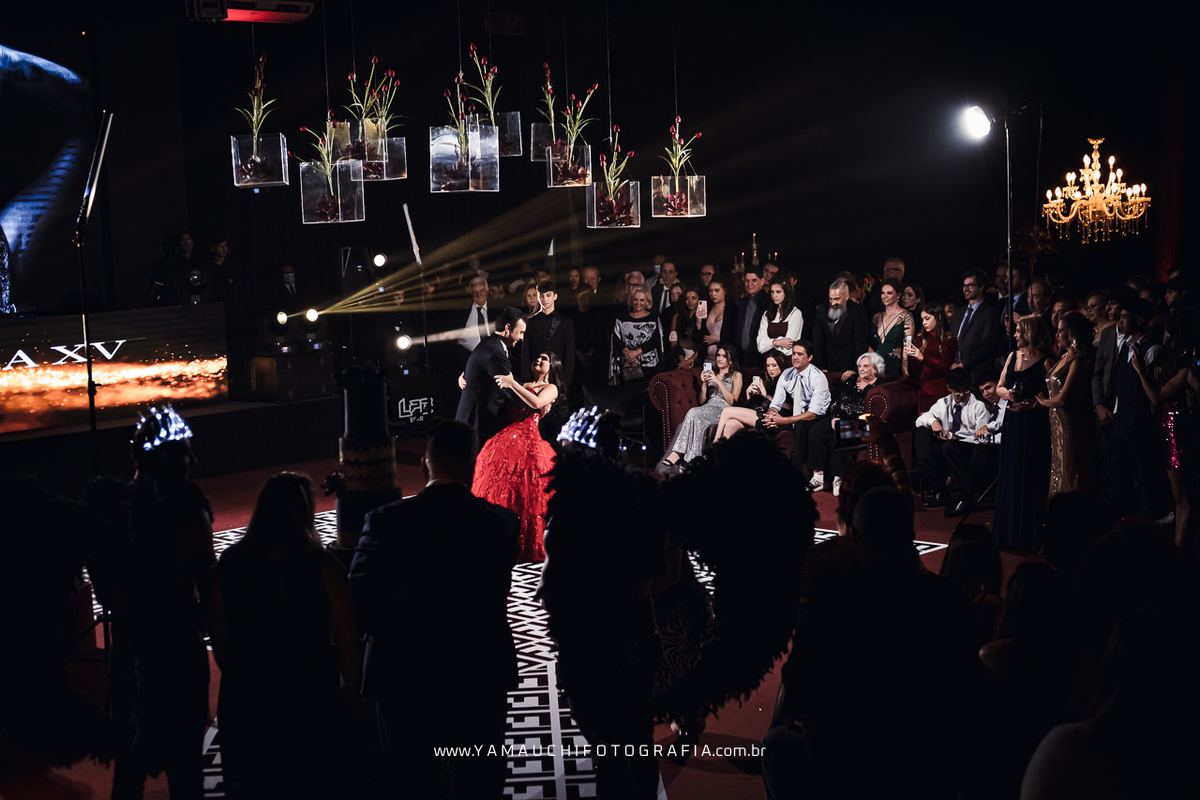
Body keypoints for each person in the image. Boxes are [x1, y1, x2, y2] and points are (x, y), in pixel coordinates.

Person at [349, 421, 519, 799]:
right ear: (472, 463)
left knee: (408, 779)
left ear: (425, 464)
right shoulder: (501, 523)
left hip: (403, 672)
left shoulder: (384, 522)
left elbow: (359, 597)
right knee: (479, 778)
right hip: (477, 668)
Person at [209, 473, 360, 800]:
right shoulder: (324, 569)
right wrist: (353, 705)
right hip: (310, 706)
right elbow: (349, 650)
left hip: (247, 707)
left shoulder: (229, 565)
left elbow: (221, 647)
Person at [112, 407, 214, 800]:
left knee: (129, 770)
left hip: (132, 655)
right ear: (173, 458)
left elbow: (115, 597)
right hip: (177, 656)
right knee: (187, 772)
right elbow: (210, 590)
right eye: (186, 452)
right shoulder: (191, 513)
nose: (194, 460)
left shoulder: (121, 512)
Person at [472, 352, 563, 562]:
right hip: (505, 439)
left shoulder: (551, 388)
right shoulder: (523, 382)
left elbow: (536, 403)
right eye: (537, 357)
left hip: (530, 441)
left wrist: (513, 384)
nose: (538, 360)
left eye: (544, 359)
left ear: (553, 365)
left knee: (528, 493)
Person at [1130, 310, 1196, 548]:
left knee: (1183, 498)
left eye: (1168, 331)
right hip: (1169, 432)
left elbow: (1157, 398)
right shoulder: (1175, 368)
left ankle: (1180, 549)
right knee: (1178, 497)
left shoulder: (1184, 370)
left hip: (1176, 432)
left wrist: (1140, 371)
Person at [993, 315, 1053, 551]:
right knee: (1011, 473)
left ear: (1030, 333)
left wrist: (1031, 404)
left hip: (1034, 426)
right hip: (1013, 423)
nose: (1015, 335)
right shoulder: (1012, 356)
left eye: (1019, 331)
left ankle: (1028, 535)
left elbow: (1053, 400)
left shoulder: (1047, 362)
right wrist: (1008, 394)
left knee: (1029, 476)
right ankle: (1007, 533)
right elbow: (999, 387)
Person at [914, 367, 997, 515]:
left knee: (949, 446)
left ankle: (963, 497)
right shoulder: (943, 403)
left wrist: (957, 438)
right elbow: (920, 420)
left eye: (964, 390)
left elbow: (981, 436)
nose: (961, 394)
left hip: (971, 445)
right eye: (957, 391)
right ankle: (932, 480)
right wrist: (933, 421)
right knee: (924, 432)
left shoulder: (978, 405)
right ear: (949, 388)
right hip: (950, 443)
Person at [1036, 311, 1098, 498]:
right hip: (1056, 421)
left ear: (1072, 333)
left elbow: (1064, 398)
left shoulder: (1078, 359)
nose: (1057, 335)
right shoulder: (1064, 356)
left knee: (1070, 466)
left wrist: (1042, 402)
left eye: (1061, 331)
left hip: (1069, 421)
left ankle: (1070, 512)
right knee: (1058, 466)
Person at [806, 351, 885, 495]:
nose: (861, 369)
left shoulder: (879, 387)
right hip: (839, 420)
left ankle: (839, 478)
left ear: (876, 369)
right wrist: (835, 416)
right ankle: (819, 476)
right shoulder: (850, 380)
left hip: (863, 426)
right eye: (859, 366)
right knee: (815, 431)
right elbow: (835, 400)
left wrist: (866, 389)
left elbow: (868, 411)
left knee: (841, 433)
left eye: (866, 366)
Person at [659, 344, 742, 469]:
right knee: (695, 414)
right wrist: (704, 385)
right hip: (708, 406)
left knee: (693, 412)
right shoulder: (712, 373)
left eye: (724, 356)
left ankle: (678, 453)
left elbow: (732, 400)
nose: (719, 358)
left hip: (724, 410)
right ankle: (694, 460)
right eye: (718, 355)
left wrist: (718, 381)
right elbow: (702, 401)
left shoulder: (736, 375)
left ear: (730, 360)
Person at [456, 306, 526, 443]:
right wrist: (540, 398)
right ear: (507, 328)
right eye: (521, 332)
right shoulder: (495, 353)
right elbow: (511, 390)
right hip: (478, 421)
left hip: (475, 416)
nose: (521, 338)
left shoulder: (492, 343)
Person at [764, 341, 831, 475]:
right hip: (796, 414)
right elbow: (776, 403)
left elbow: (813, 413)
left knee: (801, 425)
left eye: (800, 354)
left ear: (810, 357)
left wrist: (784, 420)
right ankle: (766, 468)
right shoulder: (787, 374)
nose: (795, 357)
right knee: (763, 423)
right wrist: (772, 415)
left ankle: (797, 473)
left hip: (818, 417)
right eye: (793, 353)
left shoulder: (818, 377)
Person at [713, 350, 788, 440]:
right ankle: (726, 454)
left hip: (773, 418)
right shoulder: (768, 383)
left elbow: (788, 407)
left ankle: (715, 446)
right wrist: (749, 395)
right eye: (768, 366)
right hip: (760, 413)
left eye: (774, 365)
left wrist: (766, 396)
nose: (770, 369)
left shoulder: (786, 382)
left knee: (726, 411)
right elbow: (755, 406)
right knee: (731, 424)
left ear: (781, 366)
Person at [904, 302, 957, 413]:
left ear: (938, 317)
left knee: (942, 425)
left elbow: (944, 369)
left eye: (927, 319)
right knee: (923, 425)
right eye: (922, 319)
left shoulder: (948, 340)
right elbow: (916, 370)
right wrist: (911, 356)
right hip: (924, 387)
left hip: (941, 389)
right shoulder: (921, 339)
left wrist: (923, 358)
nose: (924, 323)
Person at [952, 268, 1003, 383]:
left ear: (981, 287)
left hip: (977, 374)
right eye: (964, 286)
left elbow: (987, 346)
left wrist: (964, 364)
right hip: (955, 373)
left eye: (970, 286)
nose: (966, 289)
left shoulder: (990, 313)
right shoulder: (958, 313)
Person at [813, 278, 871, 376]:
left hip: (849, 367)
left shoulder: (858, 312)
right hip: (827, 367)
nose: (833, 303)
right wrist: (818, 367)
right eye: (830, 299)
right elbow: (818, 340)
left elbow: (861, 343)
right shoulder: (822, 310)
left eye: (837, 299)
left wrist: (855, 369)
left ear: (847, 296)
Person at [609, 285, 663, 384]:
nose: (638, 303)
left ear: (647, 301)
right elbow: (616, 339)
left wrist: (637, 352)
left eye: (642, 300)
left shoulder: (653, 318)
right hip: (627, 364)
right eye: (635, 299)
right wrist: (627, 353)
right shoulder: (621, 318)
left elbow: (656, 340)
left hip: (649, 366)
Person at [869, 278, 916, 375]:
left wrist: (905, 369)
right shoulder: (876, 317)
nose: (885, 296)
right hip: (877, 366)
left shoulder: (906, 316)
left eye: (889, 293)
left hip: (895, 366)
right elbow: (870, 344)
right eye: (883, 293)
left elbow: (907, 344)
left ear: (898, 295)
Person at [757, 278, 804, 361]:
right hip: (769, 363)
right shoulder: (767, 314)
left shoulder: (795, 313)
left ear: (786, 293)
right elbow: (760, 346)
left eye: (778, 292)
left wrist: (768, 343)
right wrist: (776, 342)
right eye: (772, 292)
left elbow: (787, 348)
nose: (774, 295)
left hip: (786, 362)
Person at [734, 266, 770, 367]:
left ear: (762, 281)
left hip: (760, 358)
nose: (749, 284)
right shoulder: (742, 303)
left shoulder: (768, 302)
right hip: (742, 358)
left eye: (754, 280)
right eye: (747, 281)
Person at [698, 275, 731, 361]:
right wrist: (698, 322)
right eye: (710, 291)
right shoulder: (707, 308)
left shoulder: (731, 309)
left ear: (725, 291)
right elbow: (698, 338)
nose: (713, 294)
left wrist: (718, 339)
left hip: (725, 358)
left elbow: (734, 336)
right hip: (706, 358)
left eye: (717, 290)